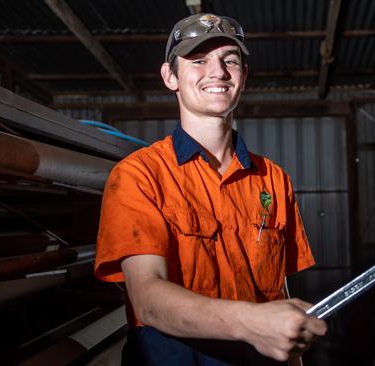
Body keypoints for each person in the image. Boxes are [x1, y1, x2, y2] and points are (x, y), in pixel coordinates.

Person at [94, 13, 327, 366]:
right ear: (170, 77)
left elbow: (278, 289)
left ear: (243, 77)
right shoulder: (139, 175)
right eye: (199, 60)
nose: (217, 72)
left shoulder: (273, 179)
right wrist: (249, 323)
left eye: (229, 61)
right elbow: (147, 299)